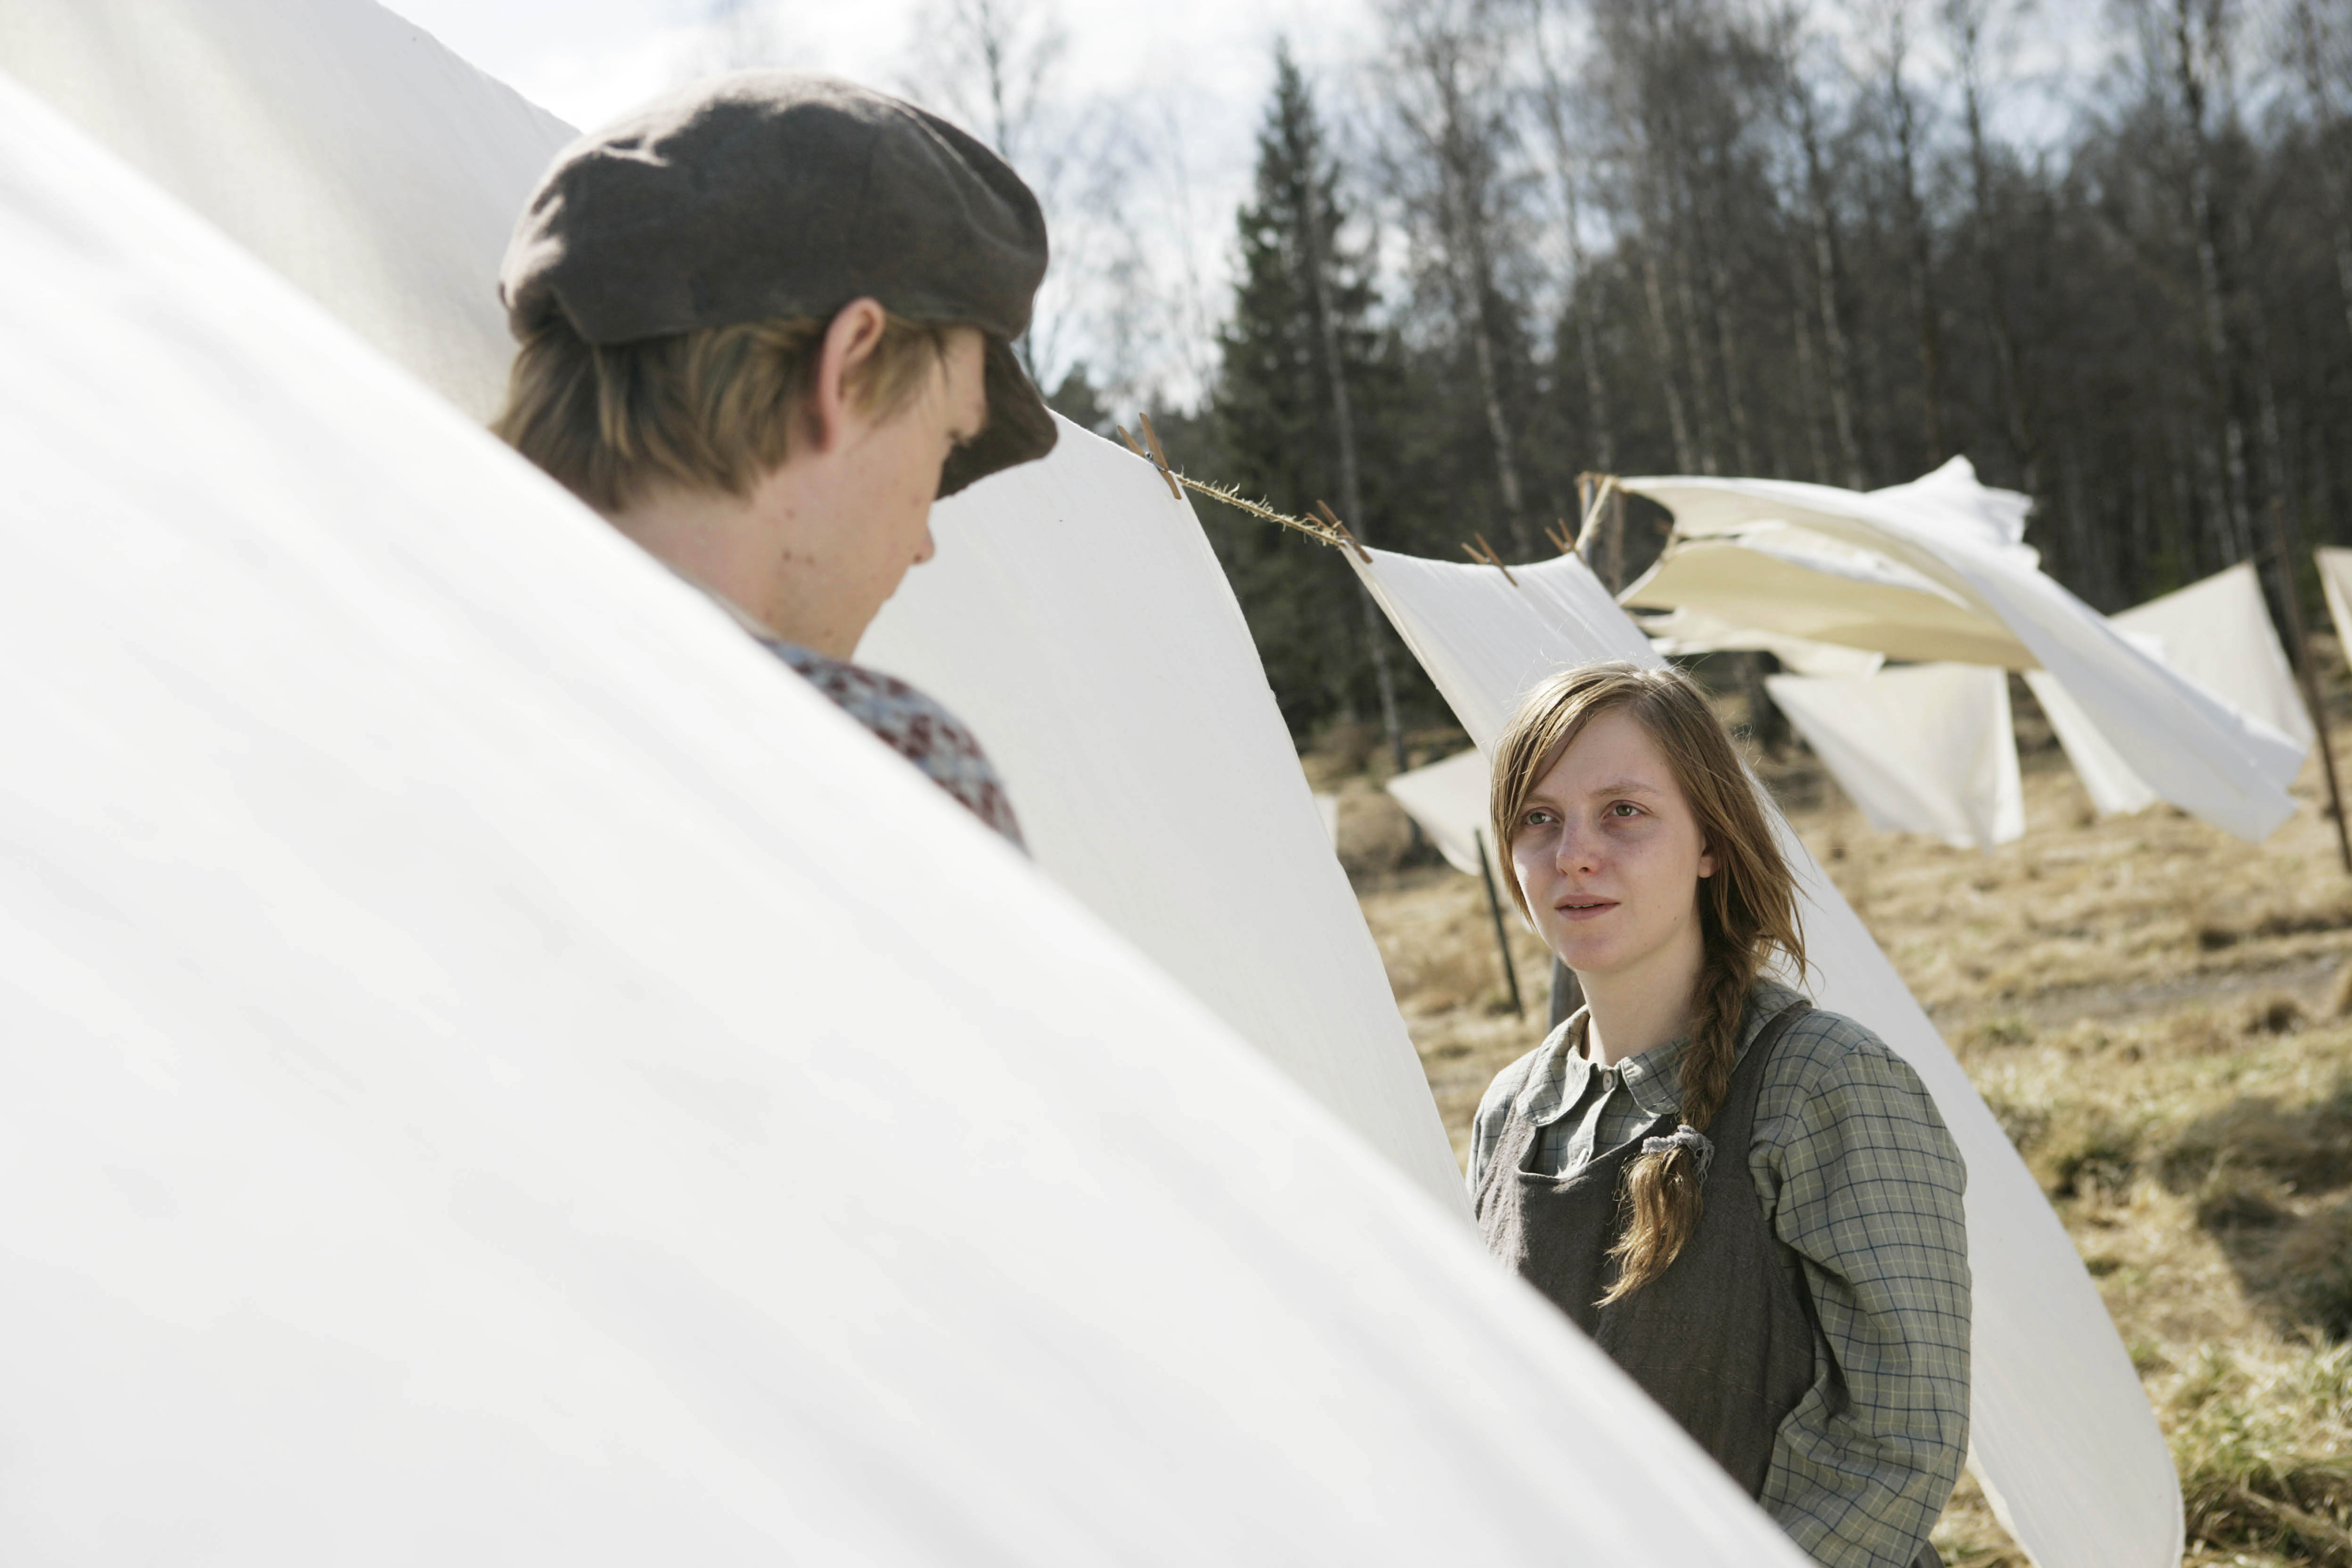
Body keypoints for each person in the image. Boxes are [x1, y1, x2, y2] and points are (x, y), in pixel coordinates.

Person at [1470, 662, 1969, 1568]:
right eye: (1538, 818)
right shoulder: (1513, 1107)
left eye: (1623, 811)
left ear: (1709, 839)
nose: (1573, 853)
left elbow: (1897, 1445)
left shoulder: (1823, 1082)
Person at [489, 73, 1058, 847]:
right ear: (848, 369)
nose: (924, 542)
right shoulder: (893, 767)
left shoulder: (375, 628)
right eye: (947, 444)